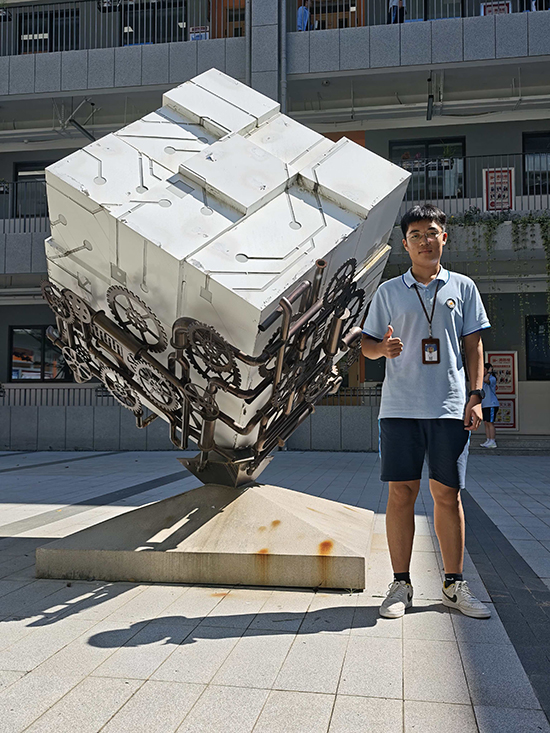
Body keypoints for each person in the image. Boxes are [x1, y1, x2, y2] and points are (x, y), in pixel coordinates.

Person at [362, 203, 491, 620]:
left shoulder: (463, 287)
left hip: (449, 407)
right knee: (401, 493)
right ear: (405, 244)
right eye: (415, 235)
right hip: (399, 408)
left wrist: (475, 395)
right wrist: (383, 349)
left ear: (444, 238)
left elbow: (474, 346)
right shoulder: (389, 291)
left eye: (431, 232)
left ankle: (453, 585)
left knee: (447, 494)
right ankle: (400, 584)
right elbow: (366, 344)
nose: (424, 241)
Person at [481, 362, 499, 448]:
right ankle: (488, 439)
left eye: (484, 369)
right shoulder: (482, 378)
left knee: (490, 423)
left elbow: (486, 381)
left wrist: (489, 372)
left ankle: (492, 440)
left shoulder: (492, 378)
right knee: (486, 422)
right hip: (485, 404)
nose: (483, 371)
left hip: (491, 404)